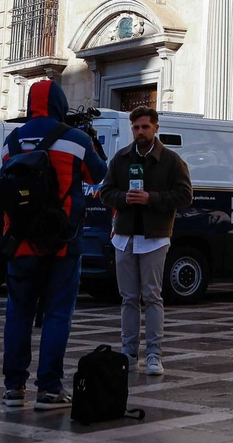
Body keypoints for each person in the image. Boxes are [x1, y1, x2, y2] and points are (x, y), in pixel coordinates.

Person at [0, 79, 106, 410]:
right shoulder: (75, 140)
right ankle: (48, 389)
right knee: (58, 314)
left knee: (18, 314)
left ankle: (13, 389)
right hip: (62, 242)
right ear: (60, 104)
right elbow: (98, 174)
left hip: (20, 242)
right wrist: (92, 140)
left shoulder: (11, 141)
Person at [98, 105, 193, 376]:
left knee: (152, 296)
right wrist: (122, 198)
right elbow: (105, 191)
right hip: (125, 238)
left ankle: (154, 354)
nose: (140, 132)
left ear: (156, 128)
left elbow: (185, 195)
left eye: (145, 127)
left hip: (155, 238)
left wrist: (152, 198)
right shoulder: (121, 158)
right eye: (136, 128)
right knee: (128, 298)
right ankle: (128, 354)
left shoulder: (172, 161)